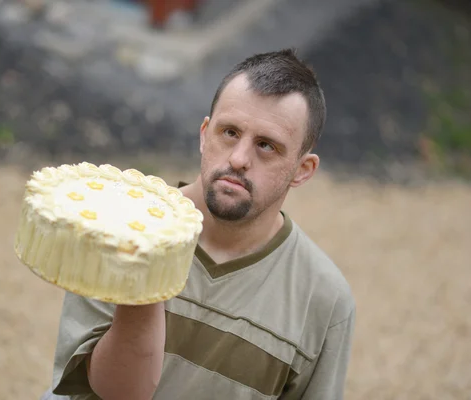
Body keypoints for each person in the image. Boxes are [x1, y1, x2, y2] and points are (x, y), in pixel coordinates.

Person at [41, 48, 356, 400]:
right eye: (230, 132)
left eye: (266, 146)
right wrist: (145, 262)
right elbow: (113, 392)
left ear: (302, 170)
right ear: (205, 134)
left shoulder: (325, 299)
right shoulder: (117, 224)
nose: (238, 159)